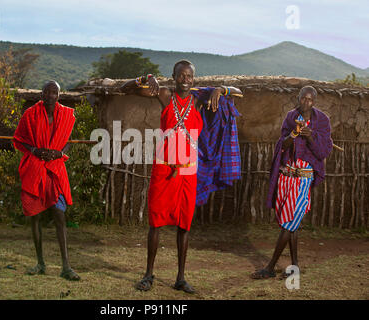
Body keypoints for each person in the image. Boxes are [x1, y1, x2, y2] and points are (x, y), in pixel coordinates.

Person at [121, 60, 242, 293]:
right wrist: (147, 77)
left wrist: (221, 89)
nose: (185, 80)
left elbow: (238, 91)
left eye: (189, 76)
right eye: (181, 75)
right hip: (164, 167)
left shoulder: (199, 99)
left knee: (184, 225)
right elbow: (125, 88)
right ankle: (148, 275)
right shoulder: (164, 95)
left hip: (188, 169)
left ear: (193, 79)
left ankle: (180, 278)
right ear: (174, 76)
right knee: (155, 222)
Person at [251, 86, 333, 279]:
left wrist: (310, 135)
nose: (306, 102)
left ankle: (270, 268)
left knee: (290, 223)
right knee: (291, 222)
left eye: (310, 99)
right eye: (303, 98)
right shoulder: (290, 117)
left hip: (304, 178)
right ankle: (295, 266)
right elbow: (282, 145)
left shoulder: (322, 121)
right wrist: (293, 135)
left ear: (315, 101)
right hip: (287, 176)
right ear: (298, 99)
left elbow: (323, 151)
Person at [13, 80, 80, 281]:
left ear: (58, 95)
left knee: (59, 215)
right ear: (41, 94)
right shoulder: (30, 115)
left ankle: (66, 266)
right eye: (47, 92)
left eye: (54, 92)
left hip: (55, 169)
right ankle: (40, 263)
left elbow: (69, 142)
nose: (51, 95)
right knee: (35, 215)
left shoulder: (67, 115)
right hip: (34, 169)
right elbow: (19, 139)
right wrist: (35, 150)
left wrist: (58, 152)